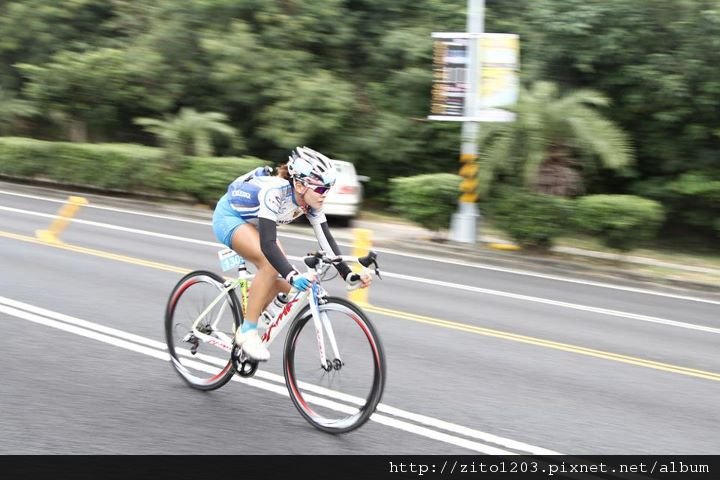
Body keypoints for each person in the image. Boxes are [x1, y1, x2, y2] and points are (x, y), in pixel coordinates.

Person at [212, 146, 372, 361]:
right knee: (271, 264)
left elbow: (327, 241)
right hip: (230, 218)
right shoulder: (275, 193)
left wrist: (348, 274)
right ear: (299, 184)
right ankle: (247, 332)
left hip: (256, 223)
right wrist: (292, 276)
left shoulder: (310, 202)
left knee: (284, 275)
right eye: (322, 189)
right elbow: (268, 245)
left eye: (328, 188)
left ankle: (257, 306)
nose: (325, 194)